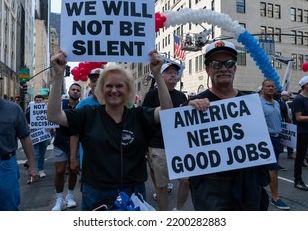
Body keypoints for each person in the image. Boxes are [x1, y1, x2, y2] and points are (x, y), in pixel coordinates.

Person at [47, 50, 172, 211]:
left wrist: (157, 75)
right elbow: (54, 116)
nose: (114, 90)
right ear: (100, 89)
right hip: (96, 192)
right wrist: (58, 75)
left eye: (119, 86)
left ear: (127, 90)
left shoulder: (138, 115)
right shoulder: (87, 114)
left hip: (133, 193)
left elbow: (167, 113)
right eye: (109, 86)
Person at [184, 40, 270, 211]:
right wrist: (188, 111)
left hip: (248, 183)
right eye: (216, 64)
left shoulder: (250, 102)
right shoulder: (194, 104)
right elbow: (181, 141)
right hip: (212, 186)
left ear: (235, 68)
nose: (223, 68)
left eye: (229, 63)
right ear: (208, 69)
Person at [0, 67, 37, 210]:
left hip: (6, 167)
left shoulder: (14, 109)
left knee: (8, 210)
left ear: (0, 85)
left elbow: (25, 138)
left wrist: (32, 166)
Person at [142, 63, 189, 211]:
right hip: (158, 145)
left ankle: (178, 210)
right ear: (160, 76)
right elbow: (144, 121)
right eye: (168, 72)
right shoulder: (151, 95)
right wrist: (145, 148)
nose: (173, 74)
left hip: (179, 146)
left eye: (175, 72)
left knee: (186, 180)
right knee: (161, 186)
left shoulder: (182, 96)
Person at [260, 79, 290, 210]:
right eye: (268, 86)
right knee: (272, 169)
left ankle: (260, 192)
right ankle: (275, 197)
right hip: (266, 140)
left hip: (277, 139)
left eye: (273, 86)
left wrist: (282, 136)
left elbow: (278, 121)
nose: (271, 88)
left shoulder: (277, 103)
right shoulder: (258, 103)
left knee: (273, 169)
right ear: (263, 88)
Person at [51, 83, 82, 211]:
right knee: (60, 171)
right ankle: (59, 199)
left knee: (73, 170)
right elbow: (52, 116)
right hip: (61, 142)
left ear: (80, 93)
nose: (75, 92)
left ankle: (70, 196)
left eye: (77, 90)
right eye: (73, 89)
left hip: (77, 144)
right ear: (69, 91)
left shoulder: (82, 107)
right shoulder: (60, 106)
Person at [70, 68, 102, 171]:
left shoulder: (116, 102)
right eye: (93, 81)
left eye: (99, 80)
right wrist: (73, 158)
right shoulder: (82, 105)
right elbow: (74, 133)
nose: (95, 83)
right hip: (88, 162)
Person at [292, 75, 308, 191]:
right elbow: (298, 117)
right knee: (300, 158)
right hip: (303, 133)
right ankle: (298, 181)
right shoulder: (298, 99)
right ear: (306, 85)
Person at [25, 94, 49, 178]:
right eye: (37, 101)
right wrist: (28, 125)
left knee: (42, 154)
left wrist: (50, 127)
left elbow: (52, 120)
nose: (38, 102)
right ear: (34, 101)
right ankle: (32, 170)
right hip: (34, 135)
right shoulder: (29, 110)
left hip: (44, 135)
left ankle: (41, 170)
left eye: (40, 100)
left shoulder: (48, 110)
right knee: (35, 154)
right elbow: (25, 120)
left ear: (44, 101)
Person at [280, 90, 295, 159]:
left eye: (288, 96)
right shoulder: (280, 103)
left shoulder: (286, 103)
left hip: (287, 123)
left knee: (289, 138)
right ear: (282, 95)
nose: (288, 97)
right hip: (283, 124)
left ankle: (290, 153)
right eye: (287, 96)